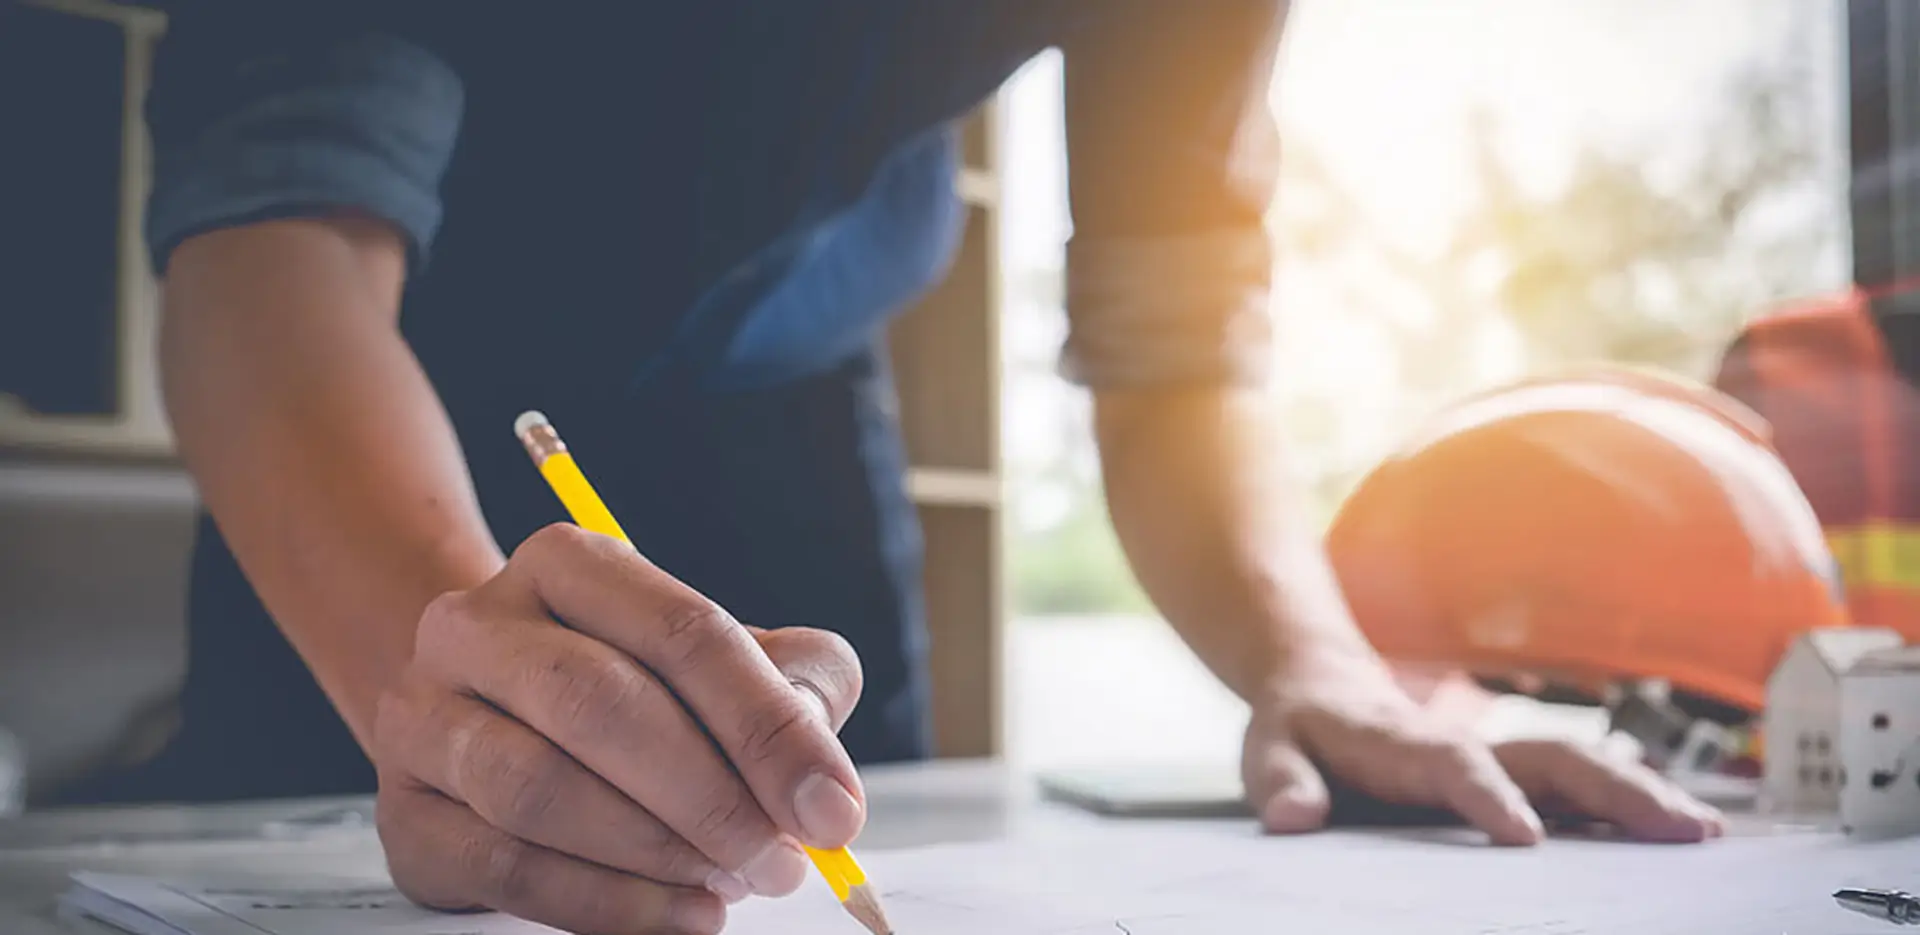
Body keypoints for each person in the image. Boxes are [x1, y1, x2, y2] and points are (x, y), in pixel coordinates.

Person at [66, 2, 1726, 932]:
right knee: (433, 839)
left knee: (809, 836)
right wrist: (433, 671)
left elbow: (1176, 346)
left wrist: (1317, 663)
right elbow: (267, 256)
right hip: (382, 404)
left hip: (790, 394)